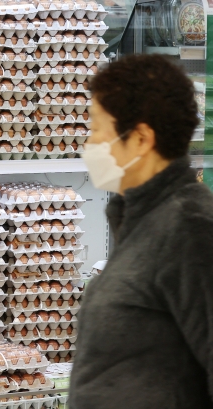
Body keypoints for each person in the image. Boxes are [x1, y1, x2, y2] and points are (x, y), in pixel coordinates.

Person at [69, 54, 213, 408]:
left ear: (140, 139)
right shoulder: (139, 219)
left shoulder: (190, 228)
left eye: (98, 130)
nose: (89, 144)